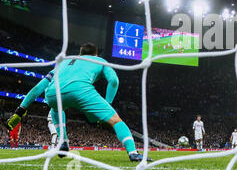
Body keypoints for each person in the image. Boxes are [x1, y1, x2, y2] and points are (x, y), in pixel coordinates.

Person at [6, 43, 150, 162]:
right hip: (82, 90)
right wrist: (108, 103)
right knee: (115, 120)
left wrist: (20, 110)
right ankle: (133, 152)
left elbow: (38, 87)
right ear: (96, 54)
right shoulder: (99, 61)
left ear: (80, 54)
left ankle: (64, 141)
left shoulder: (63, 63)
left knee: (55, 109)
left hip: (52, 93)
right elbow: (114, 81)